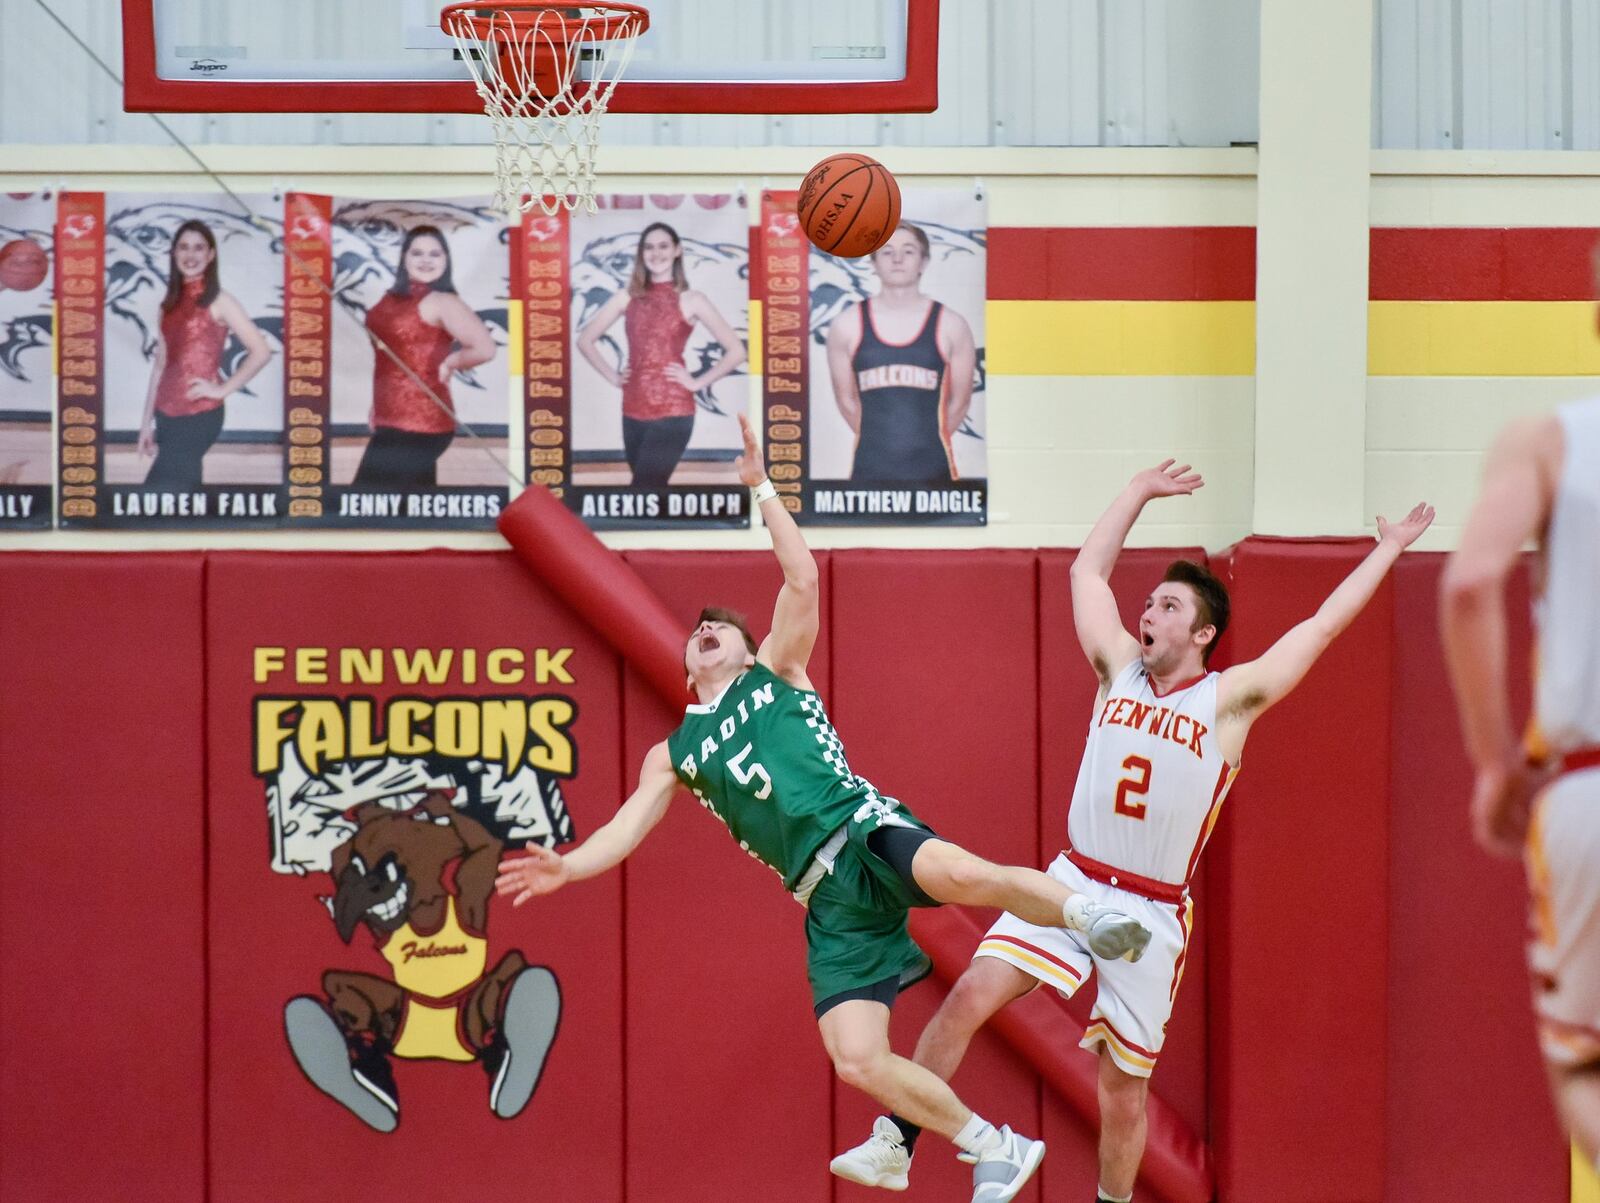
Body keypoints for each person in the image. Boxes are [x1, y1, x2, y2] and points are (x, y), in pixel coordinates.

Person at [495, 414, 1154, 1203]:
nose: (708, 629)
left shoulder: (777, 668)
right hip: (825, 900)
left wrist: (763, 490)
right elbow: (626, 827)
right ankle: (993, 1144)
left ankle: (1088, 913)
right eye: (698, 629)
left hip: (861, 825)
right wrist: (568, 864)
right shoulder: (674, 752)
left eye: (721, 627)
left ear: (747, 649)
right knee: (856, 1057)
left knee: (965, 874)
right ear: (685, 665)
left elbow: (802, 577)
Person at [834, 460, 1434, 1203]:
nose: (1148, 613)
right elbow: (1088, 572)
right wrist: (1138, 492)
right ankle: (898, 1140)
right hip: (1073, 880)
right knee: (968, 995)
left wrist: (1388, 548)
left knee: (1121, 1092)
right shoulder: (1117, 668)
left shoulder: (1230, 700)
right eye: (1147, 604)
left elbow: (1321, 626)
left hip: (1150, 911)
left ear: (1203, 630)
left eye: (1168, 606)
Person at [1441, 386, 1600, 1170]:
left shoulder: (1549, 439)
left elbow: (1470, 585)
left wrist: (1497, 761)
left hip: (1585, 789)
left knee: (1582, 1063)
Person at [575, 222, 747, 488]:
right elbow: (586, 340)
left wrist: (697, 382)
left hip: (673, 410)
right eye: (649, 247)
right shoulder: (626, 297)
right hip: (632, 409)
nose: (656, 253)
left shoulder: (692, 299)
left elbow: (736, 351)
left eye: (664, 246)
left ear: (677, 251)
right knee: (648, 498)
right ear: (642, 253)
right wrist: (614, 377)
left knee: (644, 489)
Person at [826, 222, 977, 483]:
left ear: (924, 261)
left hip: (932, 473)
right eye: (886, 251)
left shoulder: (952, 324)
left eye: (908, 251)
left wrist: (921, 444)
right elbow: (846, 401)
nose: (897, 259)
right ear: (873, 262)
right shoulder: (846, 325)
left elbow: (960, 401)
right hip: (869, 471)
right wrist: (882, 445)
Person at [353, 225, 496, 488]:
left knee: (367, 504)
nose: (426, 260)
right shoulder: (393, 298)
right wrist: (379, 406)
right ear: (404, 257)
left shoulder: (443, 301)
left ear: (446, 260)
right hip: (390, 419)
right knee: (413, 508)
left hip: (422, 424)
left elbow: (485, 348)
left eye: (435, 254)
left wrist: (451, 362)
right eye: (417, 253)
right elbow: (391, 360)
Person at [136, 219, 271, 487]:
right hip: (165, 415)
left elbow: (261, 352)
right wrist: (145, 423)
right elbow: (161, 365)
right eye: (184, 247)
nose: (190, 255)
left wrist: (222, 390)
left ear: (210, 255)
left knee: (159, 493)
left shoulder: (219, 300)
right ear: (174, 253)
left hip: (199, 415)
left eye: (198, 248)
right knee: (184, 490)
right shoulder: (168, 305)